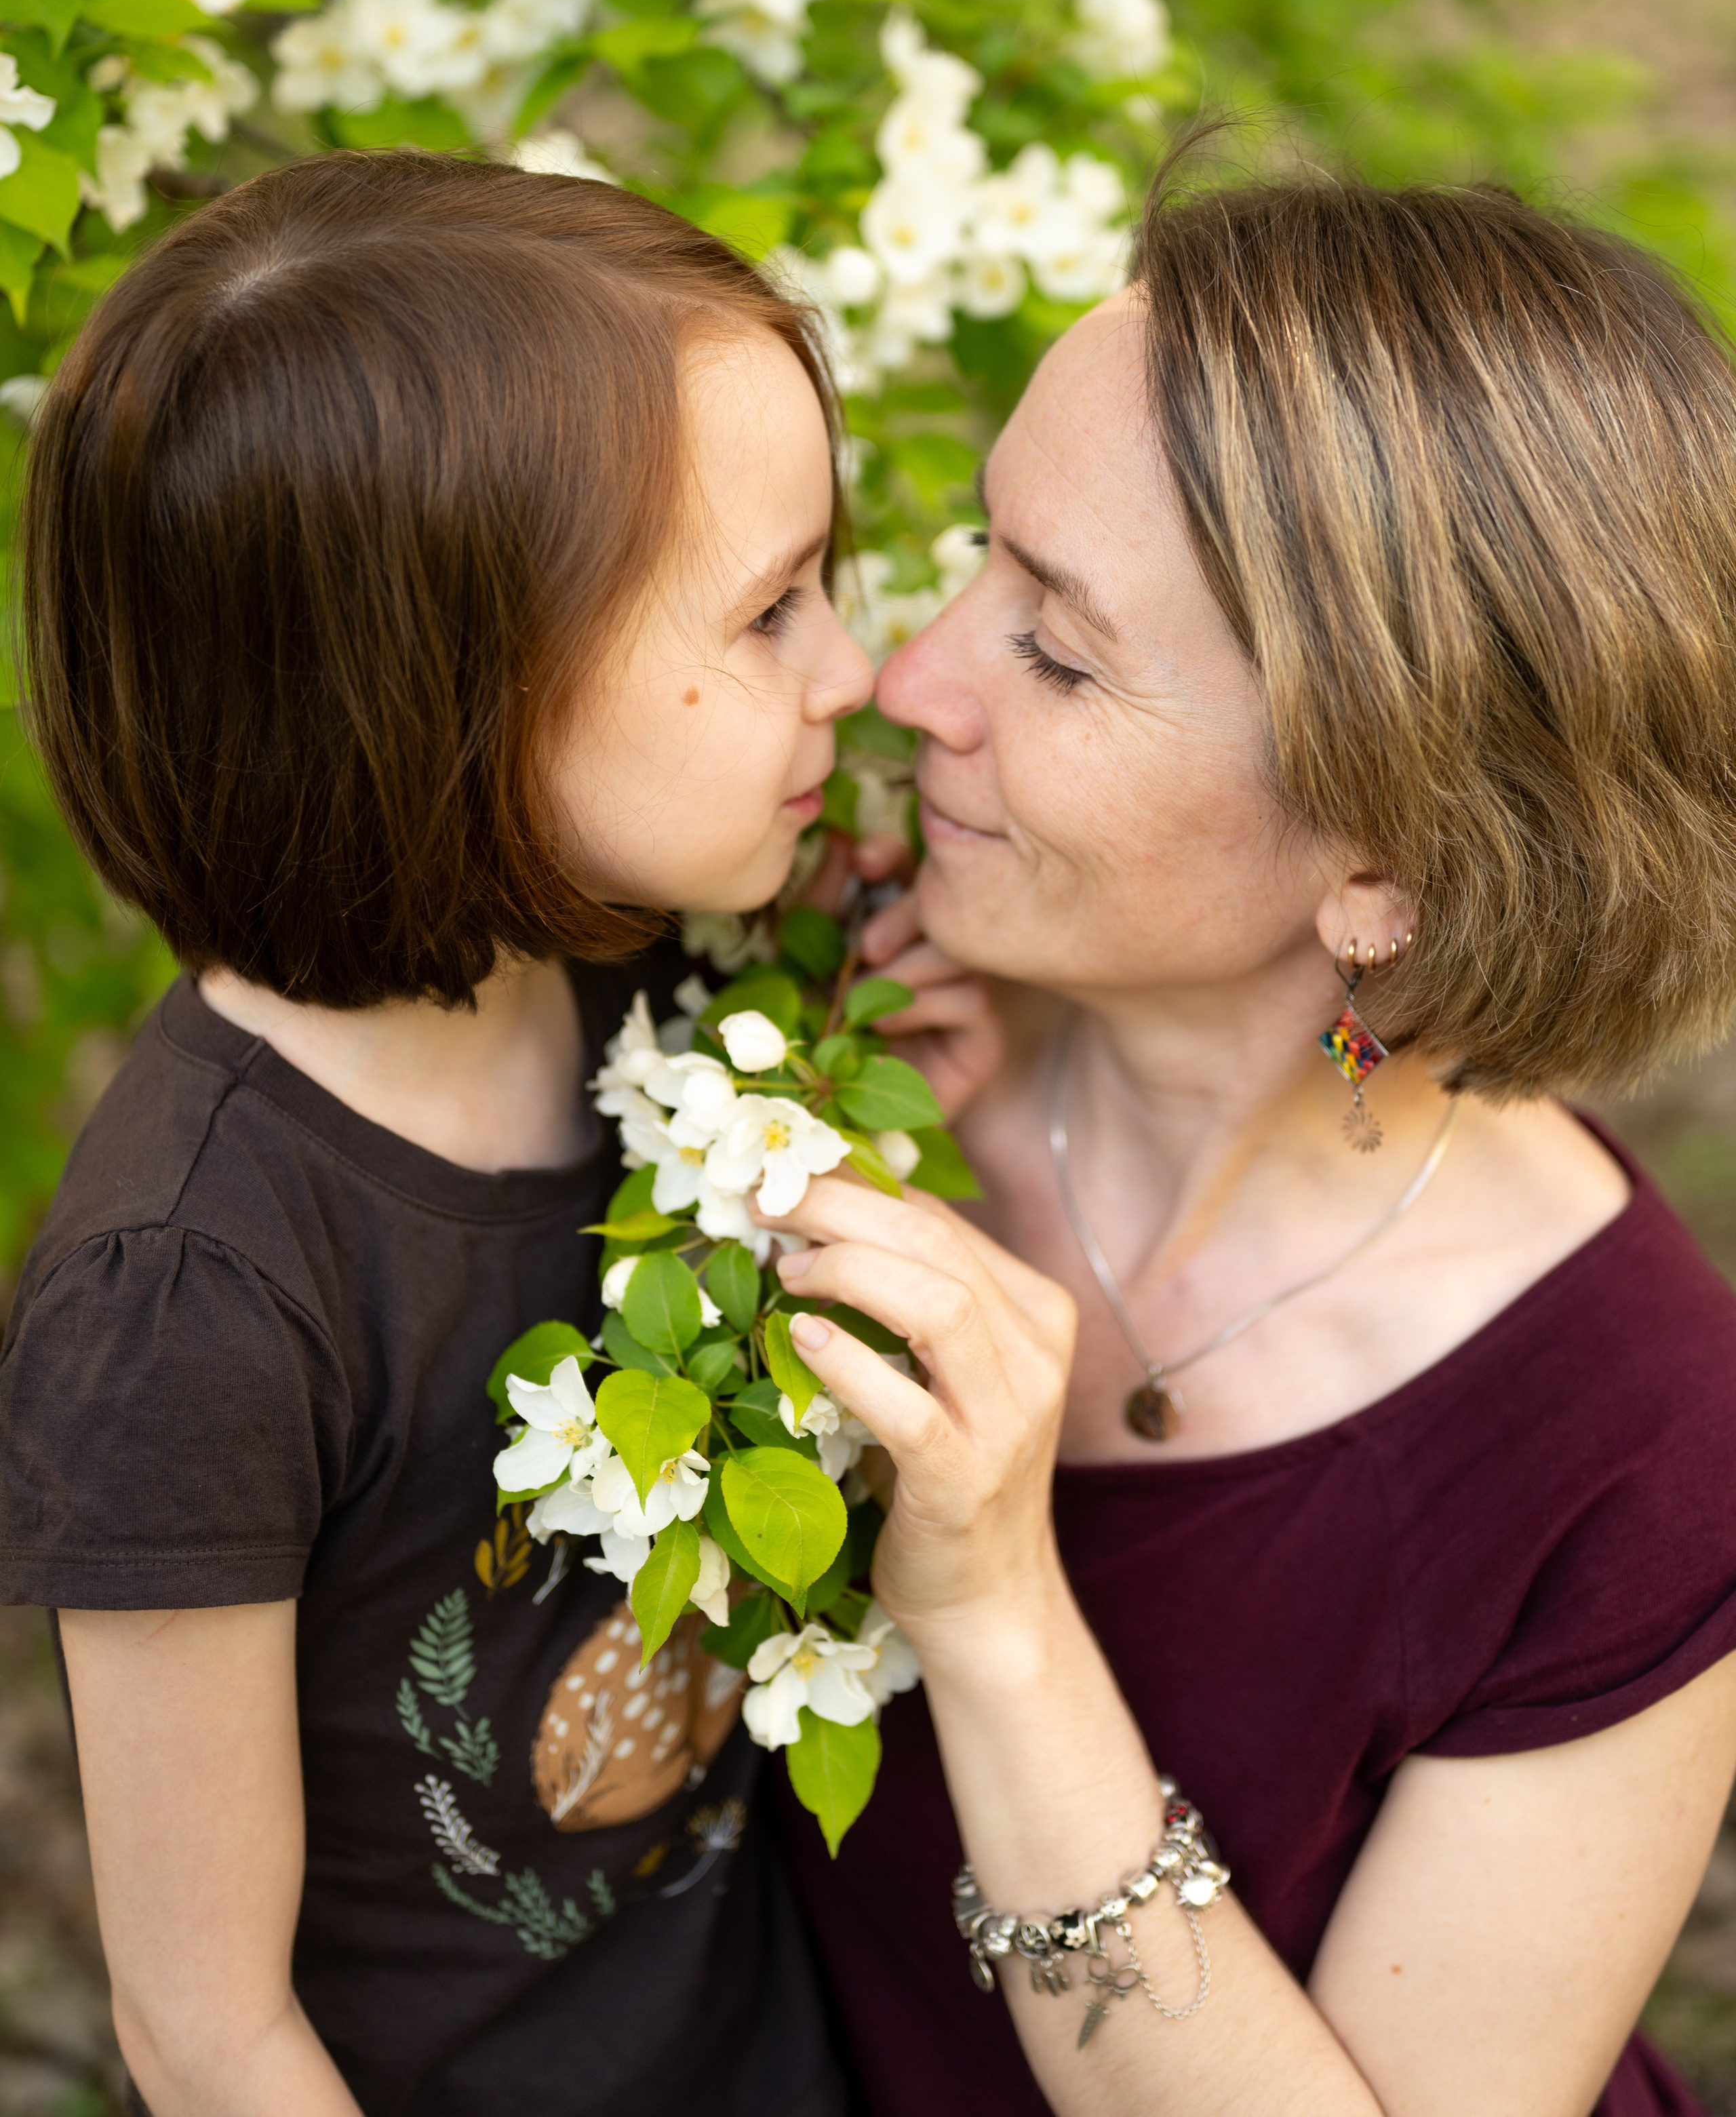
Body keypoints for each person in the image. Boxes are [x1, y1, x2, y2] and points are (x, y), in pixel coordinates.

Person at [769, 175, 1736, 2117]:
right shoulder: (816, 1018)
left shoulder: (1635, 1442)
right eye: (980, 556)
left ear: (1387, 866)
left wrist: (1000, 1620)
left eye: (1058, 653)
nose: (909, 681)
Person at [0, 147, 929, 2117]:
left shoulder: (648, 981)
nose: (853, 673)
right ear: (458, 699)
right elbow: (206, 2027)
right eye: (770, 612)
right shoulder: (193, 1300)